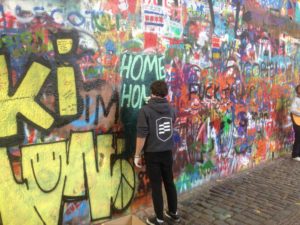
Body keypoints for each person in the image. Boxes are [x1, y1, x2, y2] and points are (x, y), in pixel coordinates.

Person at [134, 80, 180, 225]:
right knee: (169, 183)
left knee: (156, 186)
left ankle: (159, 219)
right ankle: (173, 213)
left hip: (153, 153)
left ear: (152, 93)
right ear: (165, 93)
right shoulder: (172, 109)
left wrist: (136, 154)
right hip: (167, 152)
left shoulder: (145, 110)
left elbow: (141, 135)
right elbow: (170, 122)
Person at [290, 84, 300, 161]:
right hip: (296, 120)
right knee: (298, 137)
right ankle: (295, 155)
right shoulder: (296, 99)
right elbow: (292, 110)